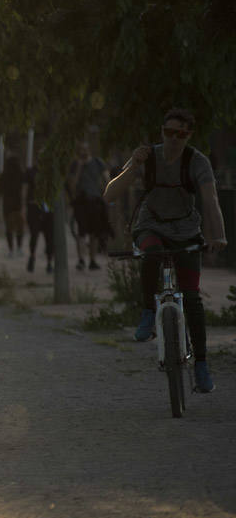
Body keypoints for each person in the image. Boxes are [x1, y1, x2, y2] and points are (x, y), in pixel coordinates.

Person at [104, 108, 227, 392]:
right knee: (150, 253)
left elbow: (210, 200)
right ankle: (148, 312)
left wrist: (217, 236)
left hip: (185, 230)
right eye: (168, 132)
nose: (173, 139)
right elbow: (110, 194)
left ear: (188, 136)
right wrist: (133, 165)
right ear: (162, 131)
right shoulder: (148, 156)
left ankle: (202, 364)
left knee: (192, 297)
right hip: (152, 225)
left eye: (180, 134)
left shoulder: (197, 162)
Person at [67, 141, 111, 270]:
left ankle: (92, 260)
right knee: (81, 232)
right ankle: (81, 260)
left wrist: (105, 195)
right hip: (81, 202)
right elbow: (72, 186)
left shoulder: (98, 162)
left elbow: (107, 180)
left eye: (85, 150)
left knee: (94, 233)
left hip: (95, 201)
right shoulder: (75, 165)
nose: (83, 153)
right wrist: (79, 168)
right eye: (81, 150)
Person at [25, 163, 54, 274]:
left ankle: (49, 262)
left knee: (49, 237)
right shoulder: (31, 171)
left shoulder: (52, 172)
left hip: (48, 209)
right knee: (34, 234)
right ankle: (32, 256)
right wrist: (25, 205)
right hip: (34, 207)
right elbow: (26, 188)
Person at [0, 154, 26, 258]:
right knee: (19, 228)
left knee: (9, 229)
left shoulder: (4, 176)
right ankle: (19, 248)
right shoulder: (20, 174)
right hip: (18, 205)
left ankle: (11, 249)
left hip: (7, 206)